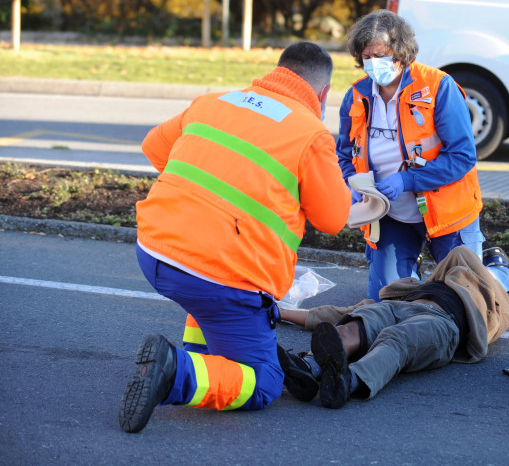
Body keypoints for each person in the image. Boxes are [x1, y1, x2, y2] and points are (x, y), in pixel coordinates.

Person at [118, 42, 351, 433]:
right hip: (220, 274)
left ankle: (199, 355)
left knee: (210, 288)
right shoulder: (311, 134)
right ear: (323, 93)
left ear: (278, 71)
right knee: (264, 382)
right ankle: (175, 371)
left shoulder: (214, 102)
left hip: (154, 251)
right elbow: (333, 218)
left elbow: (154, 147)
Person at [337, 9, 484, 301]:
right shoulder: (356, 96)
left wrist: (407, 181)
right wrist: (351, 185)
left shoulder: (438, 87)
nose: (373, 64)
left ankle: (499, 272)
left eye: (379, 56)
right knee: (386, 301)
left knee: (468, 304)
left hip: (447, 212)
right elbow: (343, 155)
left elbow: (463, 156)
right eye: (366, 58)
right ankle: (416, 282)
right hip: (390, 215)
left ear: (401, 53)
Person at [276, 246, 509, 408]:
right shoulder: (413, 288)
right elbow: (336, 312)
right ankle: (308, 368)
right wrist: (280, 312)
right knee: (352, 323)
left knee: (396, 338)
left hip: (442, 321)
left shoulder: (485, 301)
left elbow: (462, 255)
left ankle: (349, 381)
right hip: (400, 307)